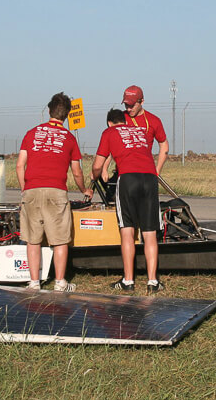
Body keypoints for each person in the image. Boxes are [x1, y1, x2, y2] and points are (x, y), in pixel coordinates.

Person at [92, 85, 169, 294]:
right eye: (125, 105)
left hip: (129, 178)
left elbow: (100, 162)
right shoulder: (138, 131)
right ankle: (153, 281)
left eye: (131, 104)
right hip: (148, 178)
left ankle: (128, 280)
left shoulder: (112, 131)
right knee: (150, 233)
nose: (128, 108)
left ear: (142, 102)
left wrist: (97, 171)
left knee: (127, 231)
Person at [16, 92, 93, 292]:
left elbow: (20, 165)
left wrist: (25, 190)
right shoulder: (69, 138)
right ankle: (60, 282)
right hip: (56, 191)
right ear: (66, 115)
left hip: (31, 190)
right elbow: (76, 172)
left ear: (49, 110)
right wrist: (85, 189)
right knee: (60, 239)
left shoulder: (31, 133)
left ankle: (34, 282)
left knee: (33, 239)